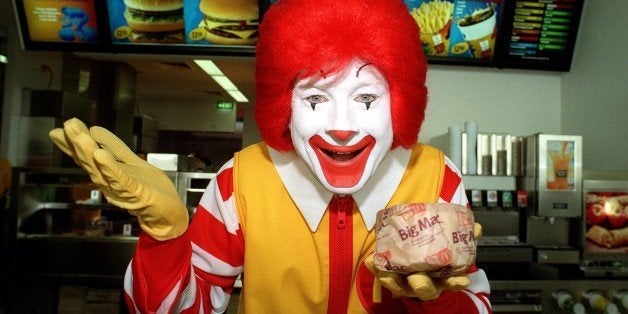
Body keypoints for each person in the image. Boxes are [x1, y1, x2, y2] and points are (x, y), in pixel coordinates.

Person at [49, 0, 491, 313]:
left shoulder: (436, 177)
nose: (343, 126)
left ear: (400, 103)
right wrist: (165, 239)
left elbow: (474, 303)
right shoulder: (240, 181)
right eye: (315, 99)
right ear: (284, 105)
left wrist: (436, 302)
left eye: (367, 98)